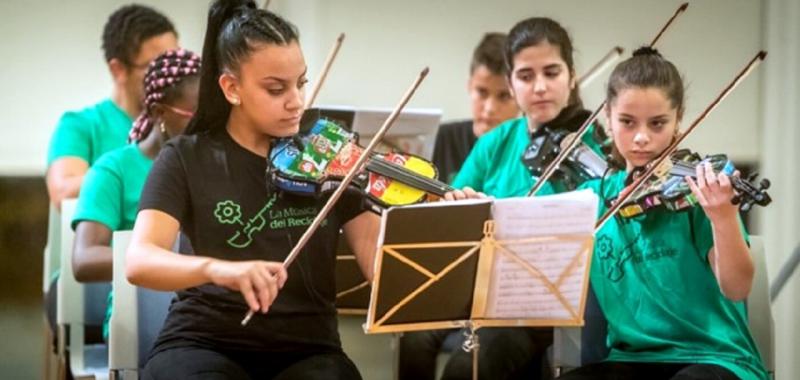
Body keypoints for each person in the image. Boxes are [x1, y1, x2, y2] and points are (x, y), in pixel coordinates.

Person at [125, 1, 380, 378]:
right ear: (231, 88)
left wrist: (448, 217)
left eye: (301, 83)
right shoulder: (186, 157)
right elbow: (139, 261)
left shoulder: (329, 158)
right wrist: (218, 270)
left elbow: (380, 265)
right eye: (276, 89)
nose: (297, 102)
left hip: (309, 350)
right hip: (202, 341)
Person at [402, 17, 609, 380]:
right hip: (482, 296)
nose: (540, 87)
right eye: (526, 76)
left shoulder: (593, 144)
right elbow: (447, 210)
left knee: (467, 369)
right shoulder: (495, 142)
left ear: (572, 76)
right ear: (512, 84)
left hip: (547, 308)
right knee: (413, 337)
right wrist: (460, 205)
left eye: (552, 72)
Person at [560, 47, 769, 380]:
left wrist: (723, 217)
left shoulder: (698, 192)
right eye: (627, 122)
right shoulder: (592, 200)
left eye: (657, 123)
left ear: (678, 120)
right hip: (631, 360)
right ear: (608, 119)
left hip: (714, 356)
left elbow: (737, 288)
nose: (642, 137)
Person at [70, 49, 201, 340]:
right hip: (137, 320)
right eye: (195, 115)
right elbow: (84, 260)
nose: (205, 127)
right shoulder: (113, 169)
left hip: (205, 313)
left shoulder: (214, 166)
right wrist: (169, 262)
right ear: (159, 112)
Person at [46, 4, 178, 209]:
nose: (171, 74)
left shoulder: (182, 121)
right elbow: (64, 193)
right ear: (118, 70)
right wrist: (134, 164)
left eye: (176, 62)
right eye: (157, 66)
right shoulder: (80, 125)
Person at [431, 32, 519, 184]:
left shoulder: (529, 150)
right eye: (482, 92)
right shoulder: (436, 140)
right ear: (470, 86)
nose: (490, 108)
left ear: (520, 96)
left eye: (504, 96)